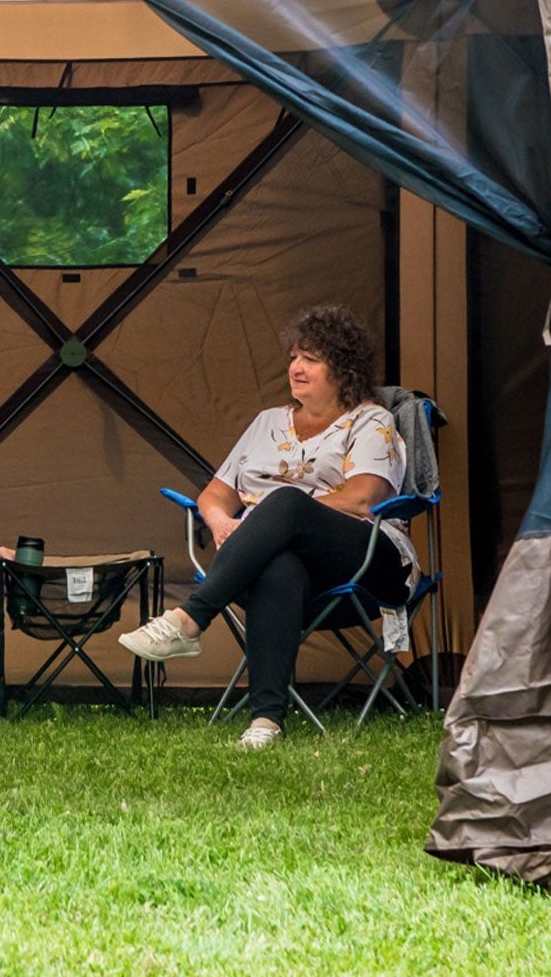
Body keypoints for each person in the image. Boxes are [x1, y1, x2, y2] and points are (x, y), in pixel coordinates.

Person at [118, 303, 416, 749]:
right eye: (294, 357)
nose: (296, 367)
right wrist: (221, 522)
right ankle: (266, 721)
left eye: (310, 359)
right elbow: (214, 495)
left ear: (343, 368)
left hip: (367, 559)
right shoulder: (267, 423)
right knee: (279, 566)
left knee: (286, 504)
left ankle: (192, 617)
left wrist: (276, 516)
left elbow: (363, 498)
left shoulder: (372, 421)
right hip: (265, 559)